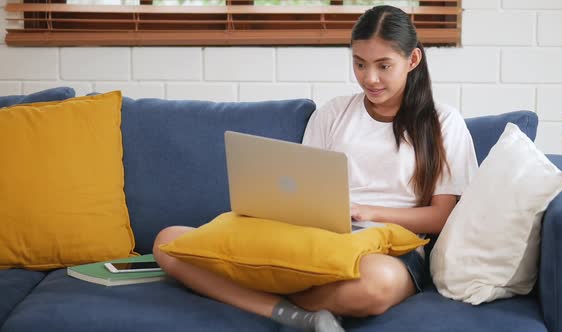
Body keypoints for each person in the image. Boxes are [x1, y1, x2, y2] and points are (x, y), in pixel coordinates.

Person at [152, 5, 478, 332]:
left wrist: (370, 213)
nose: (370, 78)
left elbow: (440, 217)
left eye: (384, 66)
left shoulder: (443, 122)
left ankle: (258, 295)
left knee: (378, 283)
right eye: (360, 64)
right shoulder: (334, 113)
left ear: (413, 61)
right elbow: (301, 188)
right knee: (168, 242)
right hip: (316, 239)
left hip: (389, 249)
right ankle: (295, 315)